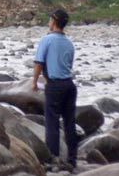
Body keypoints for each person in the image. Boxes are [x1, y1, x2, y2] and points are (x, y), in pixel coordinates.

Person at [32, 9, 77, 168]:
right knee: (69, 122)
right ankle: (72, 159)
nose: (49, 22)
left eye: (50, 19)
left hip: (54, 85)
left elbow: (39, 63)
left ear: (54, 21)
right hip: (69, 86)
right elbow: (69, 65)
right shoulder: (69, 43)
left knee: (52, 122)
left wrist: (34, 81)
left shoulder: (47, 40)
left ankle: (53, 157)